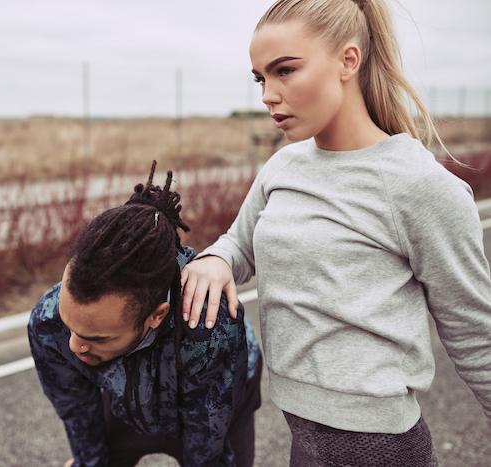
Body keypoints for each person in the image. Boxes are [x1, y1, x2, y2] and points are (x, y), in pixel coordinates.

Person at [180, 0, 491, 465]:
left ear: (348, 61)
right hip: (302, 434)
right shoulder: (284, 166)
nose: (267, 95)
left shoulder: (419, 186)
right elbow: (239, 242)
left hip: (381, 447)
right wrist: (215, 259)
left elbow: (475, 334)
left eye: (285, 70)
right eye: (260, 78)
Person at [27, 161, 262, 467]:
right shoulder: (47, 322)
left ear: (156, 315)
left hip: (213, 393)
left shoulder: (210, 330)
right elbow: (76, 411)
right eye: (71, 326)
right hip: (125, 395)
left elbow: (207, 450)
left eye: (97, 338)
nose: (74, 346)